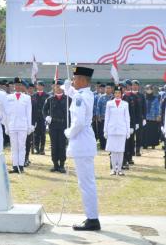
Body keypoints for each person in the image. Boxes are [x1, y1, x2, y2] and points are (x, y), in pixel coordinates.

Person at [63, 66, 101, 231]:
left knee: (86, 183)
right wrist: (68, 90)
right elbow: (76, 95)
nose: (73, 81)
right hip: (85, 142)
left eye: (75, 78)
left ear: (83, 80)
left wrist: (68, 133)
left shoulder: (81, 96)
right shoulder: (86, 94)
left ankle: (92, 219)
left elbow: (77, 122)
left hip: (81, 141)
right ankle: (92, 217)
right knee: (86, 182)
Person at [5, 77, 32, 174]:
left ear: (22, 86)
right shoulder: (8, 98)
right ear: (13, 86)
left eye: (19, 85)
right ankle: (15, 166)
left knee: (22, 146)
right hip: (12, 125)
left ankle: (21, 166)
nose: (17, 86)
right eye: (16, 85)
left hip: (23, 125)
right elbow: (6, 114)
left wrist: (29, 126)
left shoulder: (27, 98)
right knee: (14, 147)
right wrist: (6, 127)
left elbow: (29, 113)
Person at [43, 80, 71, 173]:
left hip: (63, 125)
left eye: (59, 86)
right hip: (53, 125)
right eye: (56, 86)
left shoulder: (68, 99)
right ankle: (55, 164)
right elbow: (44, 110)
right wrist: (46, 117)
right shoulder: (50, 99)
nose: (58, 88)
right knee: (54, 145)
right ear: (53, 87)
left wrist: (70, 125)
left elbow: (71, 113)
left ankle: (62, 165)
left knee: (62, 145)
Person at [104, 86, 131, 176]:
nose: (117, 94)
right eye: (115, 93)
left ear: (121, 94)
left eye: (119, 93)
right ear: (113, 93)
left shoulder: (125, 104)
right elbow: (107, 117)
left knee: (120, 150)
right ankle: (113, 169)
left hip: (121, 129)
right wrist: (105, 130)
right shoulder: (109, 103)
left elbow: (127, 118)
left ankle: (119, 169)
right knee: (113, 150)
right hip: (111, 129)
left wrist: (128, 131)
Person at [122, 80, 140, 168]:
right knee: (124, 142)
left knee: (130, 141)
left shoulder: (133, 97)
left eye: (126, 86)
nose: (124, 88)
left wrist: (136, 123)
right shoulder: (118, 97)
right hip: (121, 124)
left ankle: (129, 157)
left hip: (130, 123)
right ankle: (123, 159)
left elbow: (136, 110)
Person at [31, 81, 49, 155]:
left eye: (41, 85)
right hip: (35, 117)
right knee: (36, 133)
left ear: (43, 87)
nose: (39, 87)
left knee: (43, 133)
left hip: (43, 117)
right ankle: (36, 148)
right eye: (38, 85)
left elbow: (48, 108)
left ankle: (42, 148)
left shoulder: (47, 96)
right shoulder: (33, 96)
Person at [94, 83, 113, 150]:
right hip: (102, 118)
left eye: (109, 88)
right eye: (106, 88)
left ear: (111, 89)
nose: (108, 89)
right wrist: (98, 116)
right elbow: (98, 107)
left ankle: (109, 146)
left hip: (111, 119)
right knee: (101, 132)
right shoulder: (101, 97)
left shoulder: (113, 97)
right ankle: (102, 146)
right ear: (105, 89)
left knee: (110, 132)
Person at [143, 85, 161, 149]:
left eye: (150, 89)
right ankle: (145, 144)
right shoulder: (143, 98)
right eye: (147, 89)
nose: (149, 90)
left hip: (153, 118)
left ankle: (153, 144)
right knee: (145, 132)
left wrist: (158, 115)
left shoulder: (155, 98)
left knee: (153, 132)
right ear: (145, 90)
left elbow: (158, 108)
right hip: (145, 118)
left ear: (152, 90)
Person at [131, 80, 146, 156]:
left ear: (138, 86)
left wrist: (144, 118)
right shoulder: (128, 95)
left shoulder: (141, 95)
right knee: (131, 136)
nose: (135, 86)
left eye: (136, 85)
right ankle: (131, 151)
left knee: (139, 136)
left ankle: (137, 150)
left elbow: (144, 107)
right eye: (133, 85)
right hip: (131, 119)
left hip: (139, 118)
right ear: (131, 86)